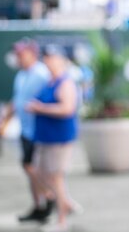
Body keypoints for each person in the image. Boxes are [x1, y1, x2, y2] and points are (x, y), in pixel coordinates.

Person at [0, 38, 54, 222]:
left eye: (22, 53)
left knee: (33, 167)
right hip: (26, 130)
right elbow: (17, 101)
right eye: (17, 54)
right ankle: (39, 206)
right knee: (28, 166)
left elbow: (54, 98)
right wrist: (2, 119)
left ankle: (50, 197)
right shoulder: (21, 75)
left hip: (40, 130)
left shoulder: (42, 74)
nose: (18, 57)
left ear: (32, 54)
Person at [26, 44, 81, 232]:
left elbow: (67, 109)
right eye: (46, 58)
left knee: (55, 177)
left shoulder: (65, 82)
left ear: (62, 60)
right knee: (39, 173)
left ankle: (62, 221)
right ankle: (66, 203)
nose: (48, 61)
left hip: (59, 139)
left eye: (52, 57)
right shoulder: (49, 81)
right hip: (44, 137)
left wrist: (39, 108)